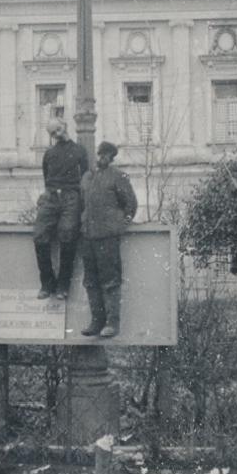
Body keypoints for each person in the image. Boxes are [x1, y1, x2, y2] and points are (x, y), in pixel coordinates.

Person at [80, 141, 138, 338]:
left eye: (106, 154)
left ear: (112, 157)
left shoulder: (118, 176)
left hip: (107, 238)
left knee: (110, 281)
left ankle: (112, 323)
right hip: (88, 236)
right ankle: (97, 322)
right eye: (100, 153)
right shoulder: (87, 178)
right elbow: (81, 204)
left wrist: (119, 225)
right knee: (90, 282)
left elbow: (130, 204)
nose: (101, 157)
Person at [32, 118, 88, 299]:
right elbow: (46, 177)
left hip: (71, 197)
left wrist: (81, 204)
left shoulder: (79, 151)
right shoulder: (49, 154)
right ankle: (47, 284)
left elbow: (85, 179)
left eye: (58, 129)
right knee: (39, 235)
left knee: (67, 233)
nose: (57, 134)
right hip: (51, 197)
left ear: (65, 125)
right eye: (52, 133)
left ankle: (63, 285)